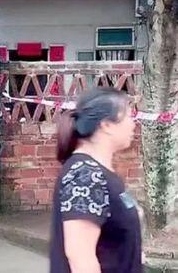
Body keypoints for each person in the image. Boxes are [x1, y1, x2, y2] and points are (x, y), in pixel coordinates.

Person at [49, 87, 142, 273]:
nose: (134, 123)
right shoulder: (85, 175)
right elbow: (81, 258)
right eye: (128, 116)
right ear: (106, 125)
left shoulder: (100, 172)